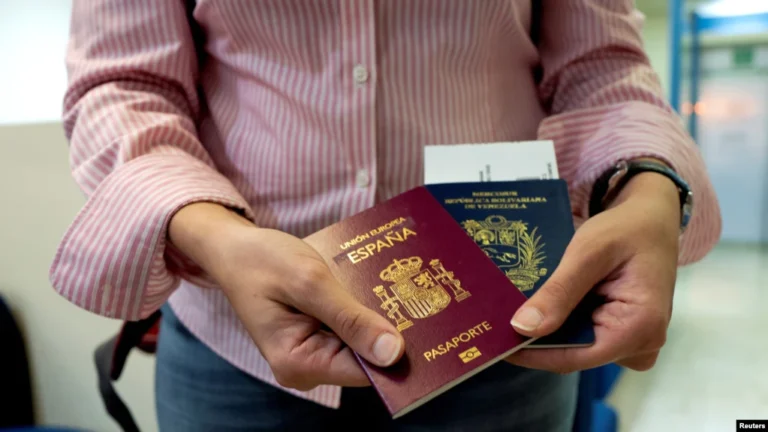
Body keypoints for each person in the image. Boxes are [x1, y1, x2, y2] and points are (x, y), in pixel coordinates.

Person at [51, 1, 722, 431]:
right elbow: (124, 84)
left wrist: (649, 185)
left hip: (501, 341)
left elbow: (600, 67)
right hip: (236, 350)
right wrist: (211, 233)